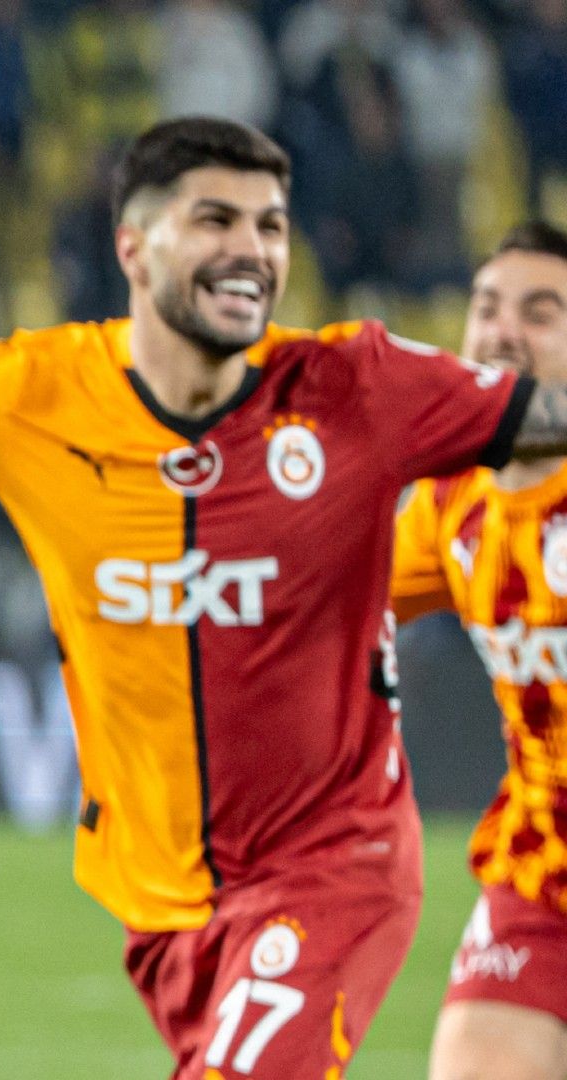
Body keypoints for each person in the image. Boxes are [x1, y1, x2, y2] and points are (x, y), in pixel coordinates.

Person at [0, 115, 567, 1078]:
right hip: (158, 899)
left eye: (270, 225)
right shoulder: (33, 393)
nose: (251, 249)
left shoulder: (357, 386)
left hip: (332, 872)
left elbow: (544, 416)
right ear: (134, 246)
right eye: (217, 219)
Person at [392, 221, 567, 1080]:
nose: (504, 330)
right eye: (488, 307)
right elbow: (312, 603)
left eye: (541, 312)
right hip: (544, 869)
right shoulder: (447, 499)